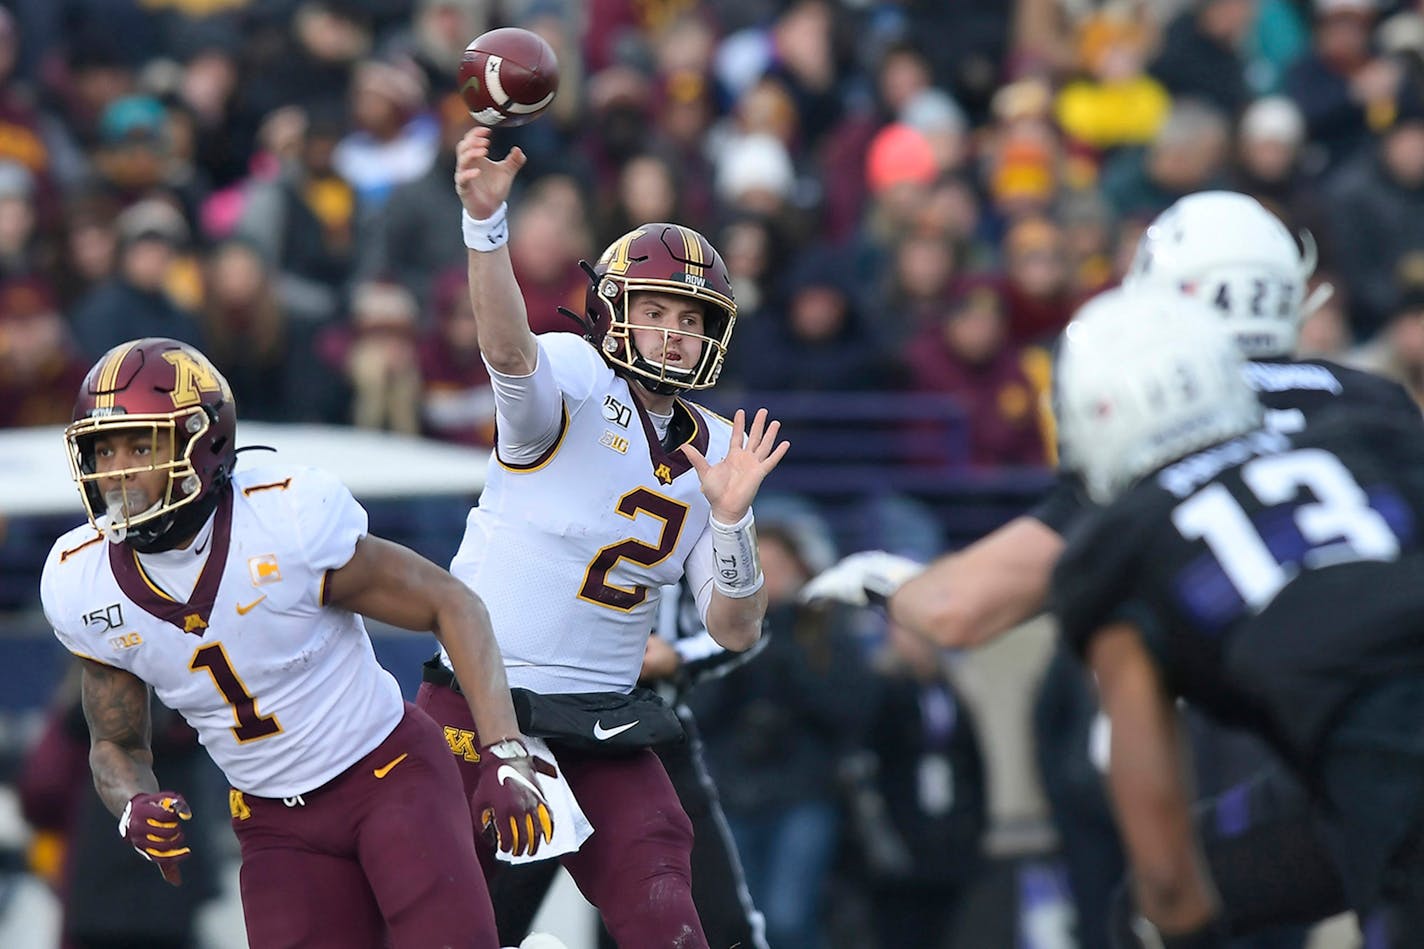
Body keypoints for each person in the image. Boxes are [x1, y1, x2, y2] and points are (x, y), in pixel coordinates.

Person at [803, 190, 1421, 941]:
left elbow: (957, 607)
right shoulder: (1371, 412)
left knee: (1164, 902)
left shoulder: (1135, 505)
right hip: (1344, 756)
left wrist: (883, 583)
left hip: (1356, 770)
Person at [39, 337, 554, 949]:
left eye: (141, 445)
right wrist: (133, 805)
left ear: (205, 444)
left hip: (389, 776)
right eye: (104, 449)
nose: (118, 469)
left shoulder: (283, 519)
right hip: (272, 822)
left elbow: (452, 603)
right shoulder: (81, 579)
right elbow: (115, 743)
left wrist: (506, 750)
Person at [416, 124, 788, 949]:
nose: (672, 333)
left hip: (601, 721)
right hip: (482, 707)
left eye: (689, 318)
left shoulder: (721, 448)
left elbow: (736, 626)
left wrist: (729, 523)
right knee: (446, 926)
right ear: (612, 311)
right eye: (653, 310)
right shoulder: (576, 377)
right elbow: (506, 349)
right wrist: (486, 229)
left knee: (666, 908)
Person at [1049, 287, 1424, 944]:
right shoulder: (1366, 435)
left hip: (1391, 787)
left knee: (1143, 914)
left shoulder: (1116, 554)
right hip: (1361, 772)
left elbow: (1166, 877)